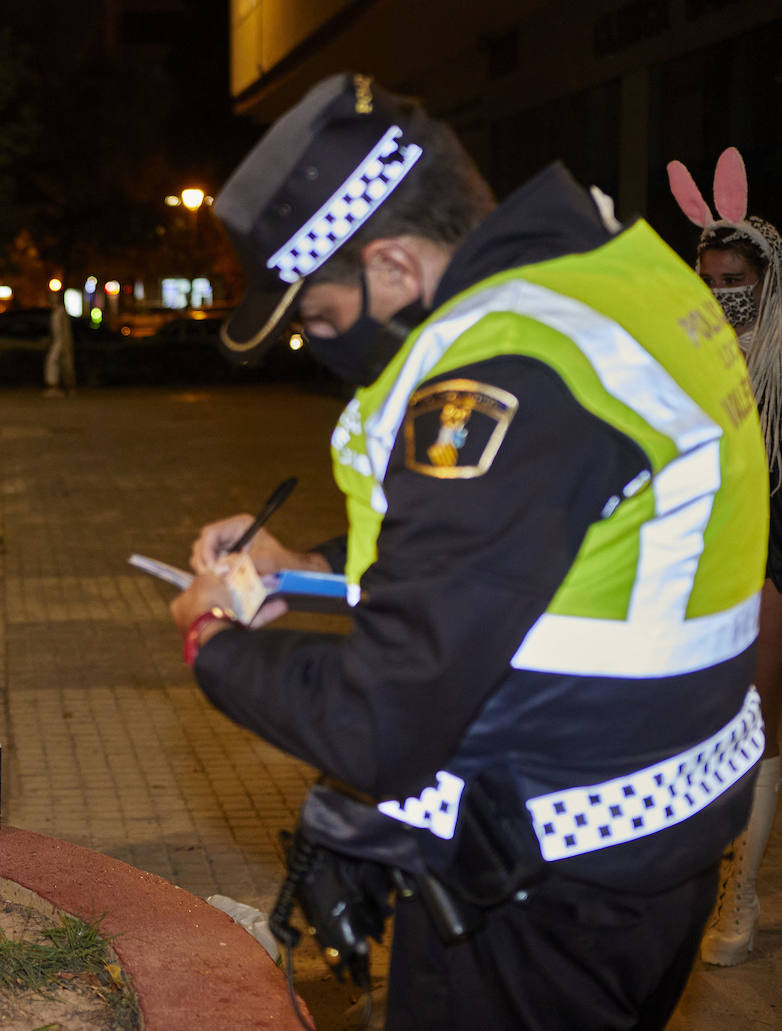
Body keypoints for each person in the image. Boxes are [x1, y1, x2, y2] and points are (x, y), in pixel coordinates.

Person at [170, 73, 767, 1030]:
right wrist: (298, 564)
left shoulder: (509, 376)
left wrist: (212, 638)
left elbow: (380, 727)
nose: (322, 345)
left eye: (320, 319)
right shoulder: (614, 283)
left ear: (396, 268)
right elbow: (540, 547)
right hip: (658, 837)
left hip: (544, 887)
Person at [668, 148, 782, 966]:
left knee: (759, 722)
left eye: (735, 278)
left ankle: (736, 902)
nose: (723, 295)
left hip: (772, 552)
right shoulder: (694, 348)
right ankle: (725, 889)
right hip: (711, 554)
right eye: (709, 279)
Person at [43, 290, 76, 396]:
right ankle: (55, 386)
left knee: (59, 362)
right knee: (54, 362)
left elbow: (65, 329)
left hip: (62, 341)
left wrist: (66, 343)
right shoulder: (55, 312)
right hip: (57, 341)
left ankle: (65, 387)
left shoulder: (61, 312)